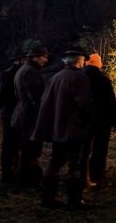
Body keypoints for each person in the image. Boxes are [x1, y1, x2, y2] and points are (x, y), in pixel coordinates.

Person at [32, 46, 93, 209]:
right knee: (74, 164)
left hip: (58, 128)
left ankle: (48, 198)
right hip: (74, 129)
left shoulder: (56, 77)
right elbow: (84, 103)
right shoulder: (79, 77)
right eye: (84, 60)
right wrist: (89, 121)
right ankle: (75, 199)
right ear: (79, 60)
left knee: (55, 162)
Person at [11, 44, 50, 193]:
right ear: (34, 57)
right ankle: (28, 180)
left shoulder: (23, 70)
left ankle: (27, 180)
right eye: (43, 57)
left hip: (23, 115)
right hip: (29, 117)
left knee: (28, 150)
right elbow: (36, 98)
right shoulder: (30, 73)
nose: (45, 60)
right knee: (31, 150)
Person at [82, 53, 116, 189]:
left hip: (84, 120)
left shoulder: (80, 77)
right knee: (100, 149)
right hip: (102, 120)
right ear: (98, 63)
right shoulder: (103, 79)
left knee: (84, 150)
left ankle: (82, 176)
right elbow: (110, 101)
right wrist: (114, 120)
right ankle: (98, 176)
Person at [0, 48, 24, 183]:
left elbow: (2, 94)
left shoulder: (7, 74)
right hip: (14, 111)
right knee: (13, 143)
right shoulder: (15, 74)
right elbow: (3, 94)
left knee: (10, 144)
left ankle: (9, 171)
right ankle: (10, 172)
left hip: (9, 111)